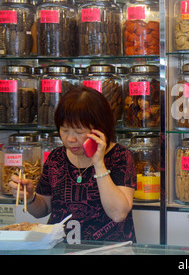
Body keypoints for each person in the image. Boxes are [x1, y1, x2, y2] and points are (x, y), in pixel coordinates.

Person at [9, 86, 137, 242]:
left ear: (99, 129)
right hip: (61, 248)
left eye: (78, 131)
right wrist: (29, 197)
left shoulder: (120, 157)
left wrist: (98, 163)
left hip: (109, 250)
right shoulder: (57, 157)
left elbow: (118, 214)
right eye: (64, 130)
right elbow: (42, 210)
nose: (70, 139)